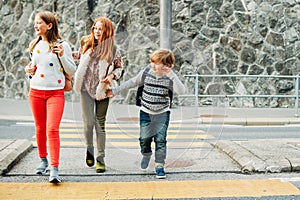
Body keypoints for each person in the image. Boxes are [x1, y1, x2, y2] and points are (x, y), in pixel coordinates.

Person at [106, 49, 186, 179]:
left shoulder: (170, 77)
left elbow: (181, 91)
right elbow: (132, 82)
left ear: (167, 66)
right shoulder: (147, 72)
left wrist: (172, 75)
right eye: (152, 62)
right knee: (144, 139)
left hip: (162, 113)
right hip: (146, 112)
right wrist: (115, 90)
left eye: (157, 63)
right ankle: (146, 154)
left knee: (160, 140)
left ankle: (159, 165)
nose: (153, 65)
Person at [25, 11, 76, 183]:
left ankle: (54, 168)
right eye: (35, 23)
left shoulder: (63, 45)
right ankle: (43, 160)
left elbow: (72, 70)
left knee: (52, 128)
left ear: (49, 25)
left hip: (55, 92)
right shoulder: (34, 45)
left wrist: (62, 56)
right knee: (40, 128)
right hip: (36, 92)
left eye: (39, 23)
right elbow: (33, 67)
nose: (35, 26)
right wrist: (29, 71)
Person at [73, 17, 123, 173]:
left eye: (100, 29)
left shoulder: (113, 49)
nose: (96, 31)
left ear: (107, 31)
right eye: (95, 28)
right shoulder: (85, 43)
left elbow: (119, 68)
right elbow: (79, 57)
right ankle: (89, 150)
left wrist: (112, 77)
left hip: (102, 90)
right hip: (85, 89)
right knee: (88, 124)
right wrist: (65, 53)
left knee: (100, 124)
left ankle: (101, 159)